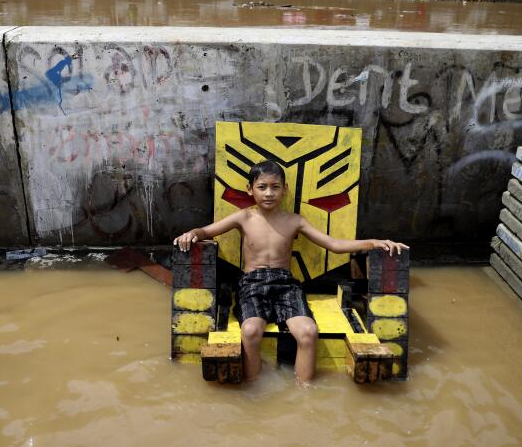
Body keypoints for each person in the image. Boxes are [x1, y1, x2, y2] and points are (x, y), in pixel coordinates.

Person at [174, 159, 408, 385]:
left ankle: (304, 391)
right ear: (250, 190)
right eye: (262, 187)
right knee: (250, 330)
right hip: (252, 284)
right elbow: (205, 231)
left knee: (308, 332)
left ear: (284, 189)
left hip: (286, 284)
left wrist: (374, 242)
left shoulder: (295, 221)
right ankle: (254, 385)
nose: (268, 193)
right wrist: (191, 234)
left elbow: (334, 245)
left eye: (275, 187)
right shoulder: (243, 217)